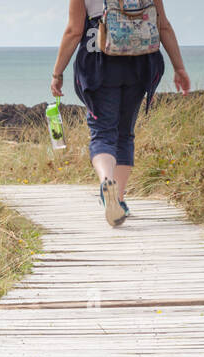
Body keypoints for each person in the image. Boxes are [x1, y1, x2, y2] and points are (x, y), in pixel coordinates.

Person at [51, 0, 190, 226]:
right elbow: (162, 25)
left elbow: (74, 31)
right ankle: (120, 199)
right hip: (140, 61)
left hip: (99, 62)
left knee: (103, 132)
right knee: (125, 132)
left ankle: (107, 181)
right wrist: (179, 67)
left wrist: (57, 73)